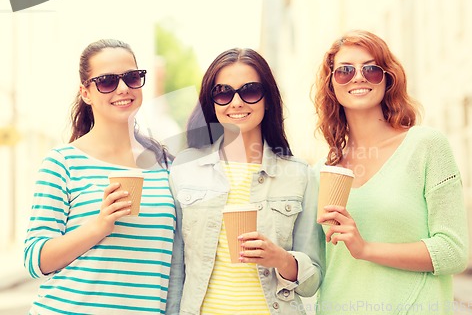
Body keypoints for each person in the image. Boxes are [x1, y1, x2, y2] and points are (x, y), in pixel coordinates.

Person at [313, 29, 469, 314]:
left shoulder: (426, 146)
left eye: (371, 69)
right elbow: (315, 267)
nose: (358, 77)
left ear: (388, 79)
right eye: (344, 71)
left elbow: (453, 252)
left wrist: (366, 249)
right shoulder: (322, 172)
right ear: (331, 84)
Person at [166, 48, 324, 314]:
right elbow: (175, 270)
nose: (236, 102)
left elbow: (312, 281)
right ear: (212, 102)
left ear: (268, 99)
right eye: (224, 92)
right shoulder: (185, 169)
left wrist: (281, 259)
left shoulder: (299, 174)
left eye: (249, 91)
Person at [24, 39, 175, 314]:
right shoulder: (62, 162)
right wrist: (99, 226)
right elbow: (35, 259)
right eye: (106, 81)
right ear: (86, 93)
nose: (122, 89)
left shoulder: (166, 165)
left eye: (131, 77)